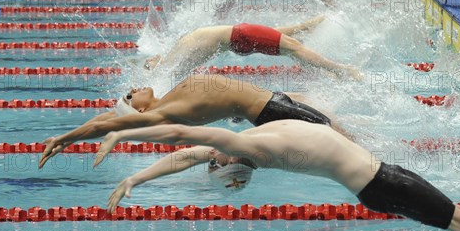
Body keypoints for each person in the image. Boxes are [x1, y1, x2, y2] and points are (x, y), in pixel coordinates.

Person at [96, 120, 460, 231]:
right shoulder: (243, 145)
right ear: (227, 162)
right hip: (382, 182)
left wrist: (135, 176)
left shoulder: (248, 150)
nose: (209, 153)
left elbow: (186, 155)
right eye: (214, 159)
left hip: (380, 183)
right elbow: (180, 135)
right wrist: (121, 135)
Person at [38, 74, 352, 169]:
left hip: (273, 97)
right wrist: (64, 139)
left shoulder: (167, 99)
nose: (133, 89)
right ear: (141, 113)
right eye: (130, 96)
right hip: (269, 110)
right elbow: (106, 124)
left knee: (339, 131)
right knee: (337, 138)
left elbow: (109, 116)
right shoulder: (164, 113)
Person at [142, 16, 361, 80]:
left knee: (291, 45)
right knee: (292, 46)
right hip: (240, 35)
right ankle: (341, 69)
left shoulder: (181, 49)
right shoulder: (183, 45)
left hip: (239, 37)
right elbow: (174, 69)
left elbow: (173, 70)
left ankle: (338, 68)